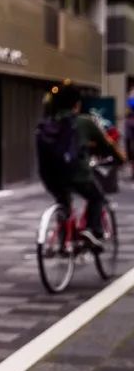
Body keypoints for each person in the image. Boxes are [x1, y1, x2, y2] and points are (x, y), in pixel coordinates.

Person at [38, 82, 124, 250]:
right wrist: (120, 159)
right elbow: (107, 145)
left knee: (64, 202)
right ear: (76, 104)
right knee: (97, 197)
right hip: (77, 174)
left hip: (50, 177)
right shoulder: (84, 122)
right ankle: (92, 231)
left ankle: (63, 243)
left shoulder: (47, 124)